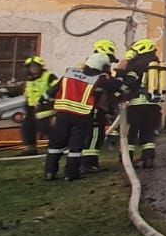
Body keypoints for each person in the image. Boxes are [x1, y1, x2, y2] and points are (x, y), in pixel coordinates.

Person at [43, 51, 116, 181]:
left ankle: (50, 172)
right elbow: (115, 87)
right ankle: (71, 174)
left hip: (62, 114)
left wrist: (44, 102)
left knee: (56, 143)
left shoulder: (69, 73)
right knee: (76, 146)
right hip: (82, 115)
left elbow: (51, 92)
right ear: (103, 66)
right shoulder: (99, 78)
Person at [117, 38, 166, 168]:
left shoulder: (137, 65)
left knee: (132, 132)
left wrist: (119, 89)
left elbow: (129, 81)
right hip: (153, 105)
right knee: (148, 132)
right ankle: (149, 159)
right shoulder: (156, 64)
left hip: (137, 104)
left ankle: (127, 160)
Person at [82, 38, 120, 173]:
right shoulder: (95, 71)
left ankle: (91, 163)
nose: (110, 62)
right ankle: (87, 165)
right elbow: (108, 86)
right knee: (94, 135)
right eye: (109, 58)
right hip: (95, 107)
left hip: (94, 107)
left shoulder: (89, 68)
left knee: (95, 135)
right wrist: (120, 79)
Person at [21, 54, 56, 155]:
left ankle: (57, 144)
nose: (33, 69)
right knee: (27, 127)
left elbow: (57, 89)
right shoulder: (29, 79)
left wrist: (48, 101)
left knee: (45, 127)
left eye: (35, 67)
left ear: (41, 67)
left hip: (46, 107)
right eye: (31, 67)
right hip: (32, 107)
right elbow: (28, 93)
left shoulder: (49, 76)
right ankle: (30, 147)